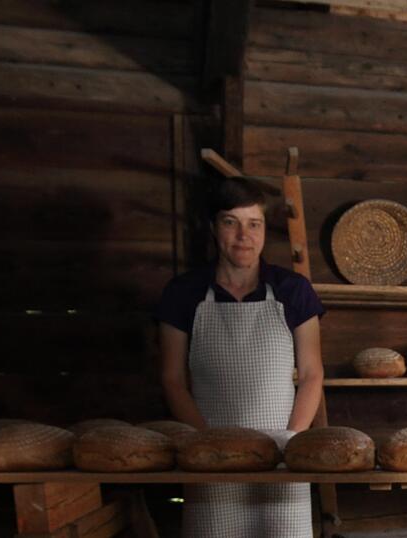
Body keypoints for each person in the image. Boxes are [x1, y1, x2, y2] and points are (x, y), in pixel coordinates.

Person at [155, 177, 324, 537]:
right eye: (231, 222)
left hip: (282, 455)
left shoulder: (293, 291)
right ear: (213, 227)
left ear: (263, 230)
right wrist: (207, 444)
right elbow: (172, 379)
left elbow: (312, 373)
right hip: (210, 457)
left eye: (254, 224)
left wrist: (292, 439)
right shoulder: (183, 293)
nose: (243, 236)